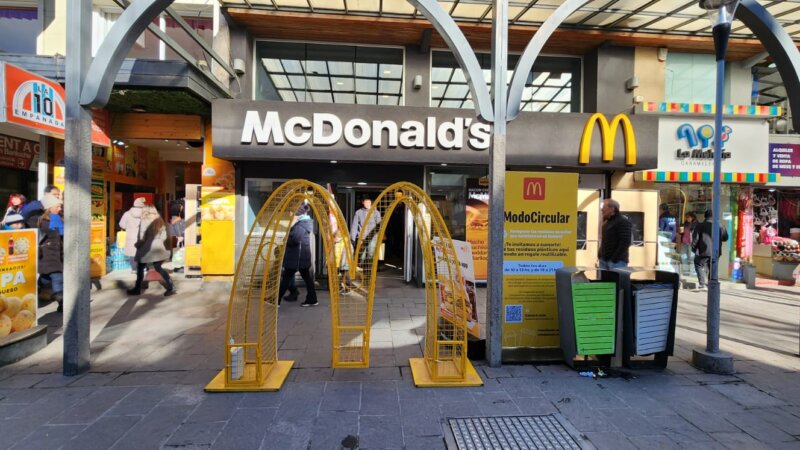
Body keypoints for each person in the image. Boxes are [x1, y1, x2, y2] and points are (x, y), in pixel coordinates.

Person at [128, 205, 175, 296]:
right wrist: (158, 242)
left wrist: (138, 245)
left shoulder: (144, 221)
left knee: (140, 268)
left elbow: (142, 237)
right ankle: (170, 286)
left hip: (146, 248)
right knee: (158, 268)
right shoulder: (160, 221)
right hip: (158, 247)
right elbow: (164, 236)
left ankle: (137, 289)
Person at [278, 204, 317, 307]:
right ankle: (312, 299)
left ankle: (275, 300)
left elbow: (295, 240)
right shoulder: (303, 223)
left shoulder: (301, 225)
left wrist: (287, 239)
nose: (290, 214)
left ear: (297, 214)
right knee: (306, 279)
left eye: (292, 212)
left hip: (297, 258)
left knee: (286, 279)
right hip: (300, 258)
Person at [37, 194, 64, 312]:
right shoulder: (44, 222)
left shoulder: (58, 219)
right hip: (49, 256)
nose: (60, 209)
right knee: (57, 279)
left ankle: (36, 288)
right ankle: (62, 303)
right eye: (57, 206)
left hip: (57, 255)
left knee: (46, 278)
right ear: (50, 207)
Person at [692, 209, 729, 291]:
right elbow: (725, 237)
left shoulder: (700, 225)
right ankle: (710, 284)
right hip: (716, 251)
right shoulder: (720, 225)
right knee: (712, 267)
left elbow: (695, 239)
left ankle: (702, 284)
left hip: (703, 251)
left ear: (705, 216)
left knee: (698, 264)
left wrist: (693, 249)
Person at [599, 198, 632, 270]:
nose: (602, 210)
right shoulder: (607, 222)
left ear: (612, 209)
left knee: (615, 281)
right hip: (604, 260)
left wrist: (614, 259)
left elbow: (626, 242)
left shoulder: (622, 221)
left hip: (617, 262)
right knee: (605, 281)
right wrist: (600, 254)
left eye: (604, 207)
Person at [350, 197, 382, 264]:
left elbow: (379, 225)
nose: (367, 204)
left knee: (371, 253)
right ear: (363, 203)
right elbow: (354, 225)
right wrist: (353, 238)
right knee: (362, 255)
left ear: (371, 203)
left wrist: (379, 235)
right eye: (366, 202)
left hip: (372, 237)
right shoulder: (358, 212)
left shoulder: (376, 212)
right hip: (362, 237)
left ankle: (368, 269)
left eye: (369, 202)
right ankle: (362, 269)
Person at [119, 198, 146, 272]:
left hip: (130, 236)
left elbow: (122, 225)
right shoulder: (145, 214)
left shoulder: (127, 214)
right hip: (142, 236)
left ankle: (134, 269)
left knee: (132, 252)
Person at [168, 199, 186, 273]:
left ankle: (178, 266)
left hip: (176, 235)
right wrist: (179, 236)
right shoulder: (176, 217)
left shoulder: (175, 216)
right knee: (179, 251)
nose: (182, 207)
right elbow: (177, 227)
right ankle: (178, 267)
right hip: (178, 236)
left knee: (178, 251)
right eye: (181, 206)